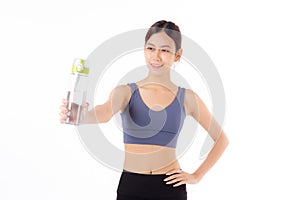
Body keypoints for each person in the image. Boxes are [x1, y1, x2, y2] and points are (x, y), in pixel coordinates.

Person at [59, 20, 229, 200]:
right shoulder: (125, 92)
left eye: (164, 50)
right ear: (144, 49)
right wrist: (81, 115)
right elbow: (103, 113)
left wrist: (197, 176)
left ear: (177, 55)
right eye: (150, 48)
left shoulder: (188, 98)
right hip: (132, 187)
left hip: (170, 187)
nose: (156, 56)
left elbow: (221, 139)